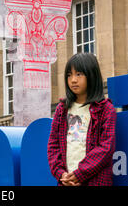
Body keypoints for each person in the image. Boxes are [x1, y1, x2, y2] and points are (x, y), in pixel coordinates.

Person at [47, 53, 116, 186]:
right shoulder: (62, 109)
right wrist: (61, 174)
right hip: (66, 181)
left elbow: (105, 148)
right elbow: (53, 145)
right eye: (69, 75)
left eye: (79, 74)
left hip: (95, 181)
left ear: (91, 75)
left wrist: (80, 174)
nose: (73, 80)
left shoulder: (106, 109)